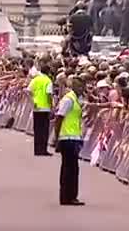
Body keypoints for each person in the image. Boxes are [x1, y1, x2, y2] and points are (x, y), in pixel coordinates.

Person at [54, 77, 86, 206]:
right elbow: (59, 118)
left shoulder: (77, 100)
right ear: (74, 87)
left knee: (73, 169)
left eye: (83, 86)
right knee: (68, 169)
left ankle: (71, 195)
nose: (82, 89)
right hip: (67, 138)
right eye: (80, 87)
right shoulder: (68, 99)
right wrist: (56, 138)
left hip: (74, 137)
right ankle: (67, 196)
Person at [28, 60, 54, 156]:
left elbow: (28, 91)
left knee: (37, 129)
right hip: (45, 108)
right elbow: (49, 95)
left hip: (36, 107)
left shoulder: (35, 79)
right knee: (44, 130)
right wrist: (52, 106)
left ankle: (37, 150)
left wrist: (32, 101)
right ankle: (43, 150)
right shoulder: (48, 81)